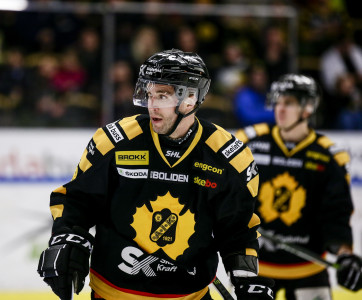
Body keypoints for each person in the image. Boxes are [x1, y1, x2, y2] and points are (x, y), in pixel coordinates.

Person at [37, 49, 274, 299]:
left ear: (190, 99)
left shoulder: (229, 158)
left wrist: (247, 281)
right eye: (149, 94)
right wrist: (68, 239)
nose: (152, 105)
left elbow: (238, 230)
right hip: (113, 293)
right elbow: (77, 201)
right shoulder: (115, 141)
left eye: (163, 96)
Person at [234, 74, 362, 300]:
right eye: (278, 102)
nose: (280, 109)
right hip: (255, 267)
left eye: (289, 103)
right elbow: (225, 195)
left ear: (308, 108)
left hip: (307, 268)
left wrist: (345, 255)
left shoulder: (328, 157)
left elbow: (337, 216)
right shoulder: (248, 143)